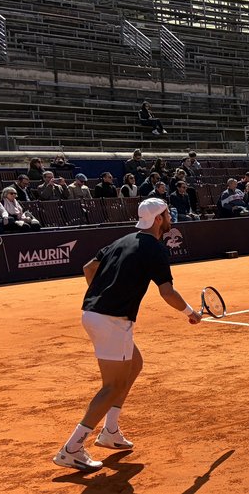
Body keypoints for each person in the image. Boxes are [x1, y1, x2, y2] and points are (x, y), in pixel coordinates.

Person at [52, 199, 202, 472]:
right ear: (158, 219)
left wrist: (105, 294)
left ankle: (110, 432)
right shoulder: (154, 249)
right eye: (167, 214)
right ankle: (72, 448)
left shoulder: (122, 240)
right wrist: (191, 313)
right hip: (112, 320)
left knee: (134, 364)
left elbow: (88, 268)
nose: (170, 217)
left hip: (94, 314)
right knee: (113, 386)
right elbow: (167, 292)